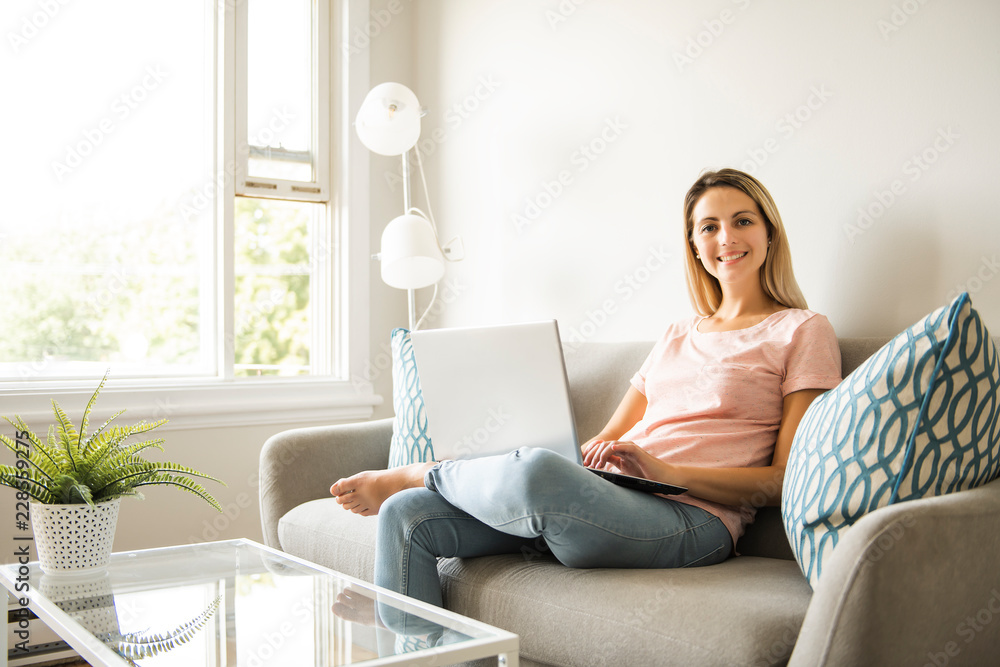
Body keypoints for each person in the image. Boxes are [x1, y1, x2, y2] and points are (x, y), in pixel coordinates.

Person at [329, 167, 842, 634]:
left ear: (769, 232)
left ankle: (424, 470)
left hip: (693, 520)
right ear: (693, 243)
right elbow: (608, 437)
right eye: (708, 226)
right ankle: (406, 633)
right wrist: (582, 455)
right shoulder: (677, 333)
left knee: (532, 474)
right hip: (607, 499)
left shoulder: (802, 330)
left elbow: (783, 480)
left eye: (742, 221)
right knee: (406, 515)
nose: (725, 238)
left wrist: (664, 469)